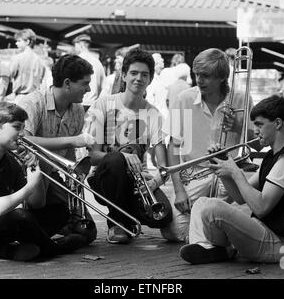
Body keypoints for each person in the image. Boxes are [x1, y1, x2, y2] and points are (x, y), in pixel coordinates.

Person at [0, 102, 86, 262]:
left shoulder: (9, 160)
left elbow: (36, 204)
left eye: (23, 128)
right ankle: (52, 248)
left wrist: (34, 174)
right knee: (20, 217)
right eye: (17, 127)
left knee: (60, 211)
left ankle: (7, 249)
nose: (22, 134)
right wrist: (29, 187)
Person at [180, 95, 284, 264]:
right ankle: (212, 248)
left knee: (212, 207)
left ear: (278, 124)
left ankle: (211, 247)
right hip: (265, 236)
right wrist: (224, 168)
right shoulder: (272, 156)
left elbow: (261, 207)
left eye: (260, 124)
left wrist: (236, 172)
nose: (255, 130)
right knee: (202, 203)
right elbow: (240, 198)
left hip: (278, 246)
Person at [160, 48, 256, 243]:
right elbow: (174, 147)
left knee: (202, 224)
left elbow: (258, 143)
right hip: (193, 174)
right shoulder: (185, 98)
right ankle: (218, 230)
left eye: (205, 76)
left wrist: (238, 126)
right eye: (197, 75)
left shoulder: (241, 98)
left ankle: (214, 229)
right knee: (174, 232)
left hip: (226, 175)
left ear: (221, 77)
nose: (199, 80)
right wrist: (178, 190)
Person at [85, 48, 171, 244]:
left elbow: (163, 167)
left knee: (163, 217)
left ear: (150, 79)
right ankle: (117, 222)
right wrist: (123, 156)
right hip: (103, 180)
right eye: (133, 73)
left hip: (135, 182)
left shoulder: (154, 114)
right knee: (115, 159)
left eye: (144, 74)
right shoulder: (104, 104)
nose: (138, 78)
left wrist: (154, 182)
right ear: (124, 75)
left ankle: (126, 215)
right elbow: (93, 156)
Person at [15, 54, 97, 244]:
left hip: (53, 175)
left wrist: (74, 180)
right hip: (27, 173)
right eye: (85, 83)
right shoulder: (33, 102)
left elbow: (68, 156)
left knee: (87, 233)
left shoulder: (77, 110)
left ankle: (55, 227)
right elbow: (23, 139)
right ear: (67, 83)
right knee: (41, 160)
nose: (89, 89)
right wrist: (71, 141)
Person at [9, 28, 46, 102]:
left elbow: (8, 77)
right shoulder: (40, 61)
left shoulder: (17, 58)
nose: (16, 43)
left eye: (19, 41)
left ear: (27, 42)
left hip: (20, 97)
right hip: (35, 99)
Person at [72, 34, 106, 111]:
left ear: (80, 45)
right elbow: (104, 86)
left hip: (79, 104)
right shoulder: (98, 62)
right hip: (94, 105)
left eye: (75, 45)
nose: (74, 48)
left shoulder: (77, 60)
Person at [145, 53, 168, 118]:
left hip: (163, 115)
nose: (162, 69)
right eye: (160, 68)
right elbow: (150, 100)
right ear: (155, 65)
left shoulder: (161, 80)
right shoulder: (151, 81)